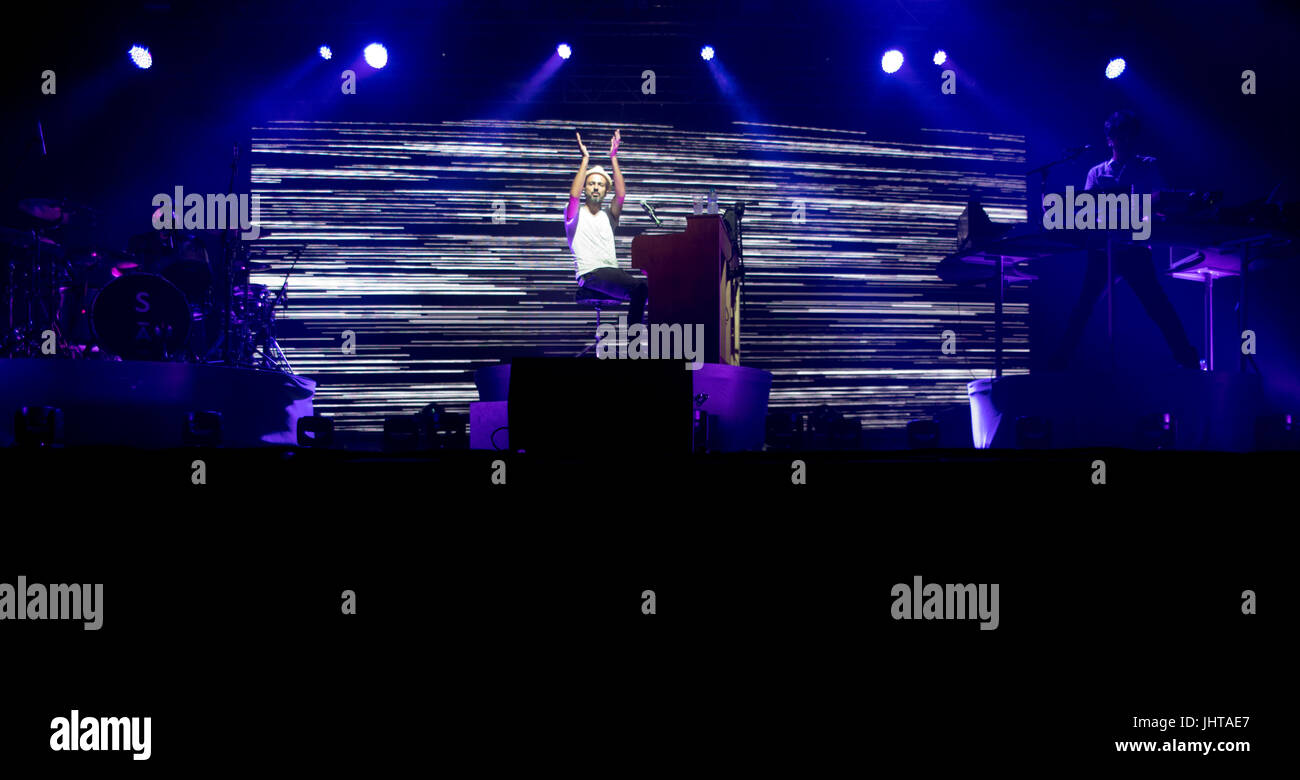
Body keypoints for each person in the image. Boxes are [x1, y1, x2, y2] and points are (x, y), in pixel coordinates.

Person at [1047, 110, 1200, 371]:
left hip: (1133, 248)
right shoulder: (1096, 172)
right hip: (1102, 250)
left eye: (1130, 137)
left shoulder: (1148, 165)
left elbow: (1157, 200)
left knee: (1157, 306)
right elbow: (1086, 211)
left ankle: (1189, 361)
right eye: (1120, 137)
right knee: (1082, 308)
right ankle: (1057, 367)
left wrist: (1125, 207)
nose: (1125, 142)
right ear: (1110, 140)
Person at [564, 129, 647, 325]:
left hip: (609, 273)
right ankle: (634, 345)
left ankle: (636, 341)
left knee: (648, 290)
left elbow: (621, 195)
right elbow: (573, 196)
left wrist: (613, 157)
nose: (595, 187)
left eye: (600, 185)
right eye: (591, 183)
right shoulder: (574, 213)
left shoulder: (609, 216)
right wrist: (585, 160)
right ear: (585, 187)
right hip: (591, 273)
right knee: (641, 289)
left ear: (605, 190)